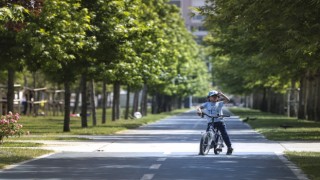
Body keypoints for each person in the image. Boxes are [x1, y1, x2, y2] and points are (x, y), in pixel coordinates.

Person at [196, 90, 234, 155]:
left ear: (218, 98)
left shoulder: (219, 103)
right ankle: (203, 149)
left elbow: (227, 100)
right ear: (209, 98)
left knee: (224, 134)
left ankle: (229, 147)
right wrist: (199, 111)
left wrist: (222, 94)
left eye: (216, 96)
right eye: (212, 96)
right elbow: (199, 107)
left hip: (219, 121)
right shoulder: (207, 104)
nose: (214, 98)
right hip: (211, 122)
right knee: (207, 134)